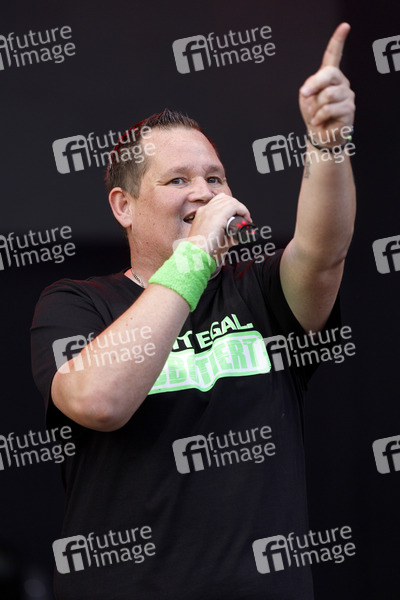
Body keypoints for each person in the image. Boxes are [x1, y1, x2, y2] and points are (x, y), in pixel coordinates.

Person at [31, 23, 356, 600]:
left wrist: (327, 144)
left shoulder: (257, 292)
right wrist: (196, 255)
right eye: (177, 179)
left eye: (215, 178)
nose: (204, 193)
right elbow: (98, 401)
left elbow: (323, 253)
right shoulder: (77, 303)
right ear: (124, 206)